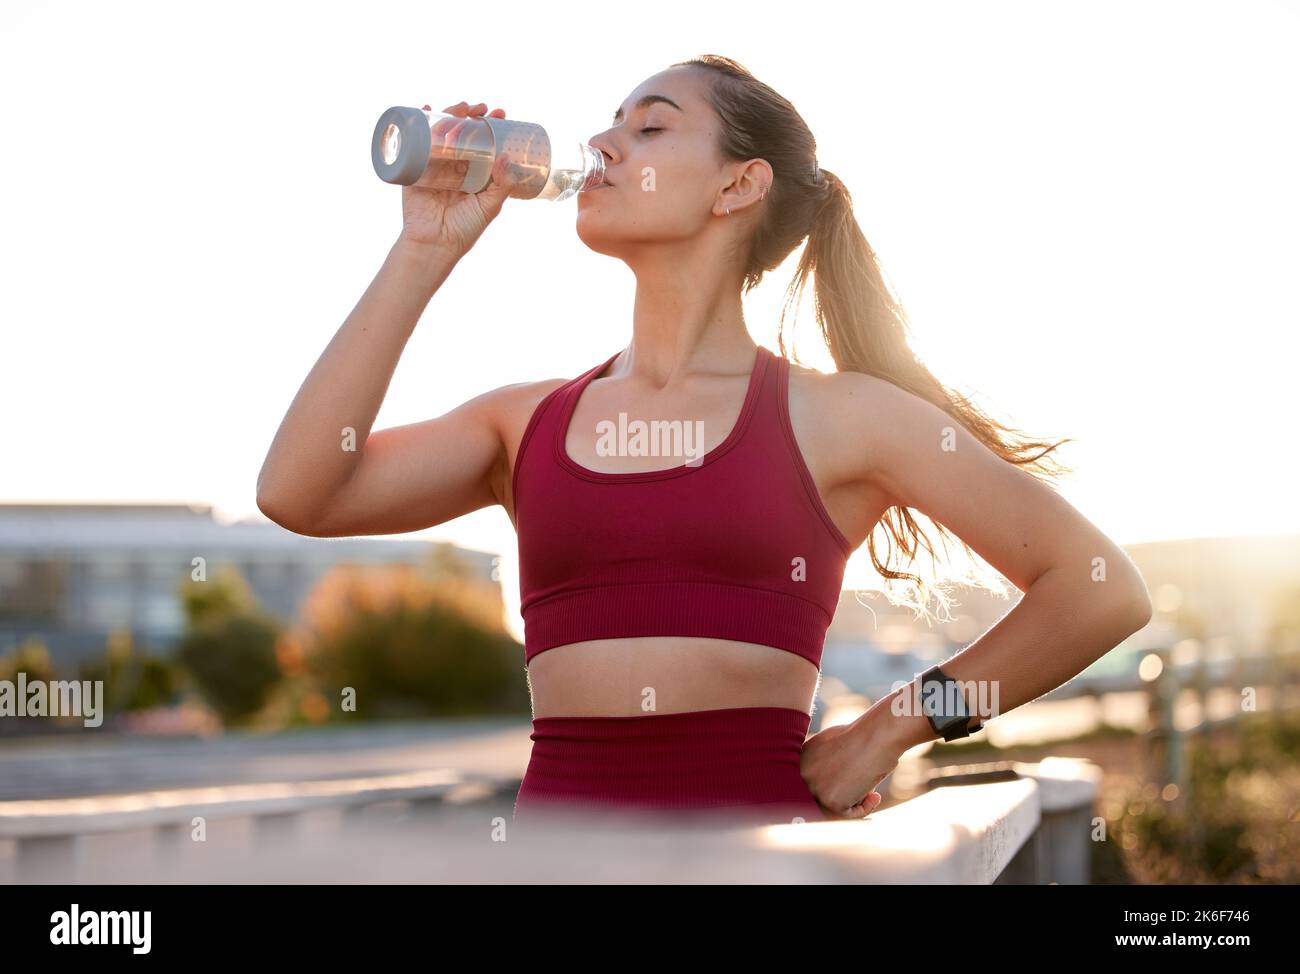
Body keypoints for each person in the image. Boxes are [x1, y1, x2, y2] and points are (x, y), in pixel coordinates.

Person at [256, 55, 1152, 830]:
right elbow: (301, 492)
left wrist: (888, 730)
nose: (604, 147)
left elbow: (1101, 592)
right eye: (609, 127)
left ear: (738, 185)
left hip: (765, 868)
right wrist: (422, 249)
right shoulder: (524, 423)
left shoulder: (846, 418)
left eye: (649, 128)